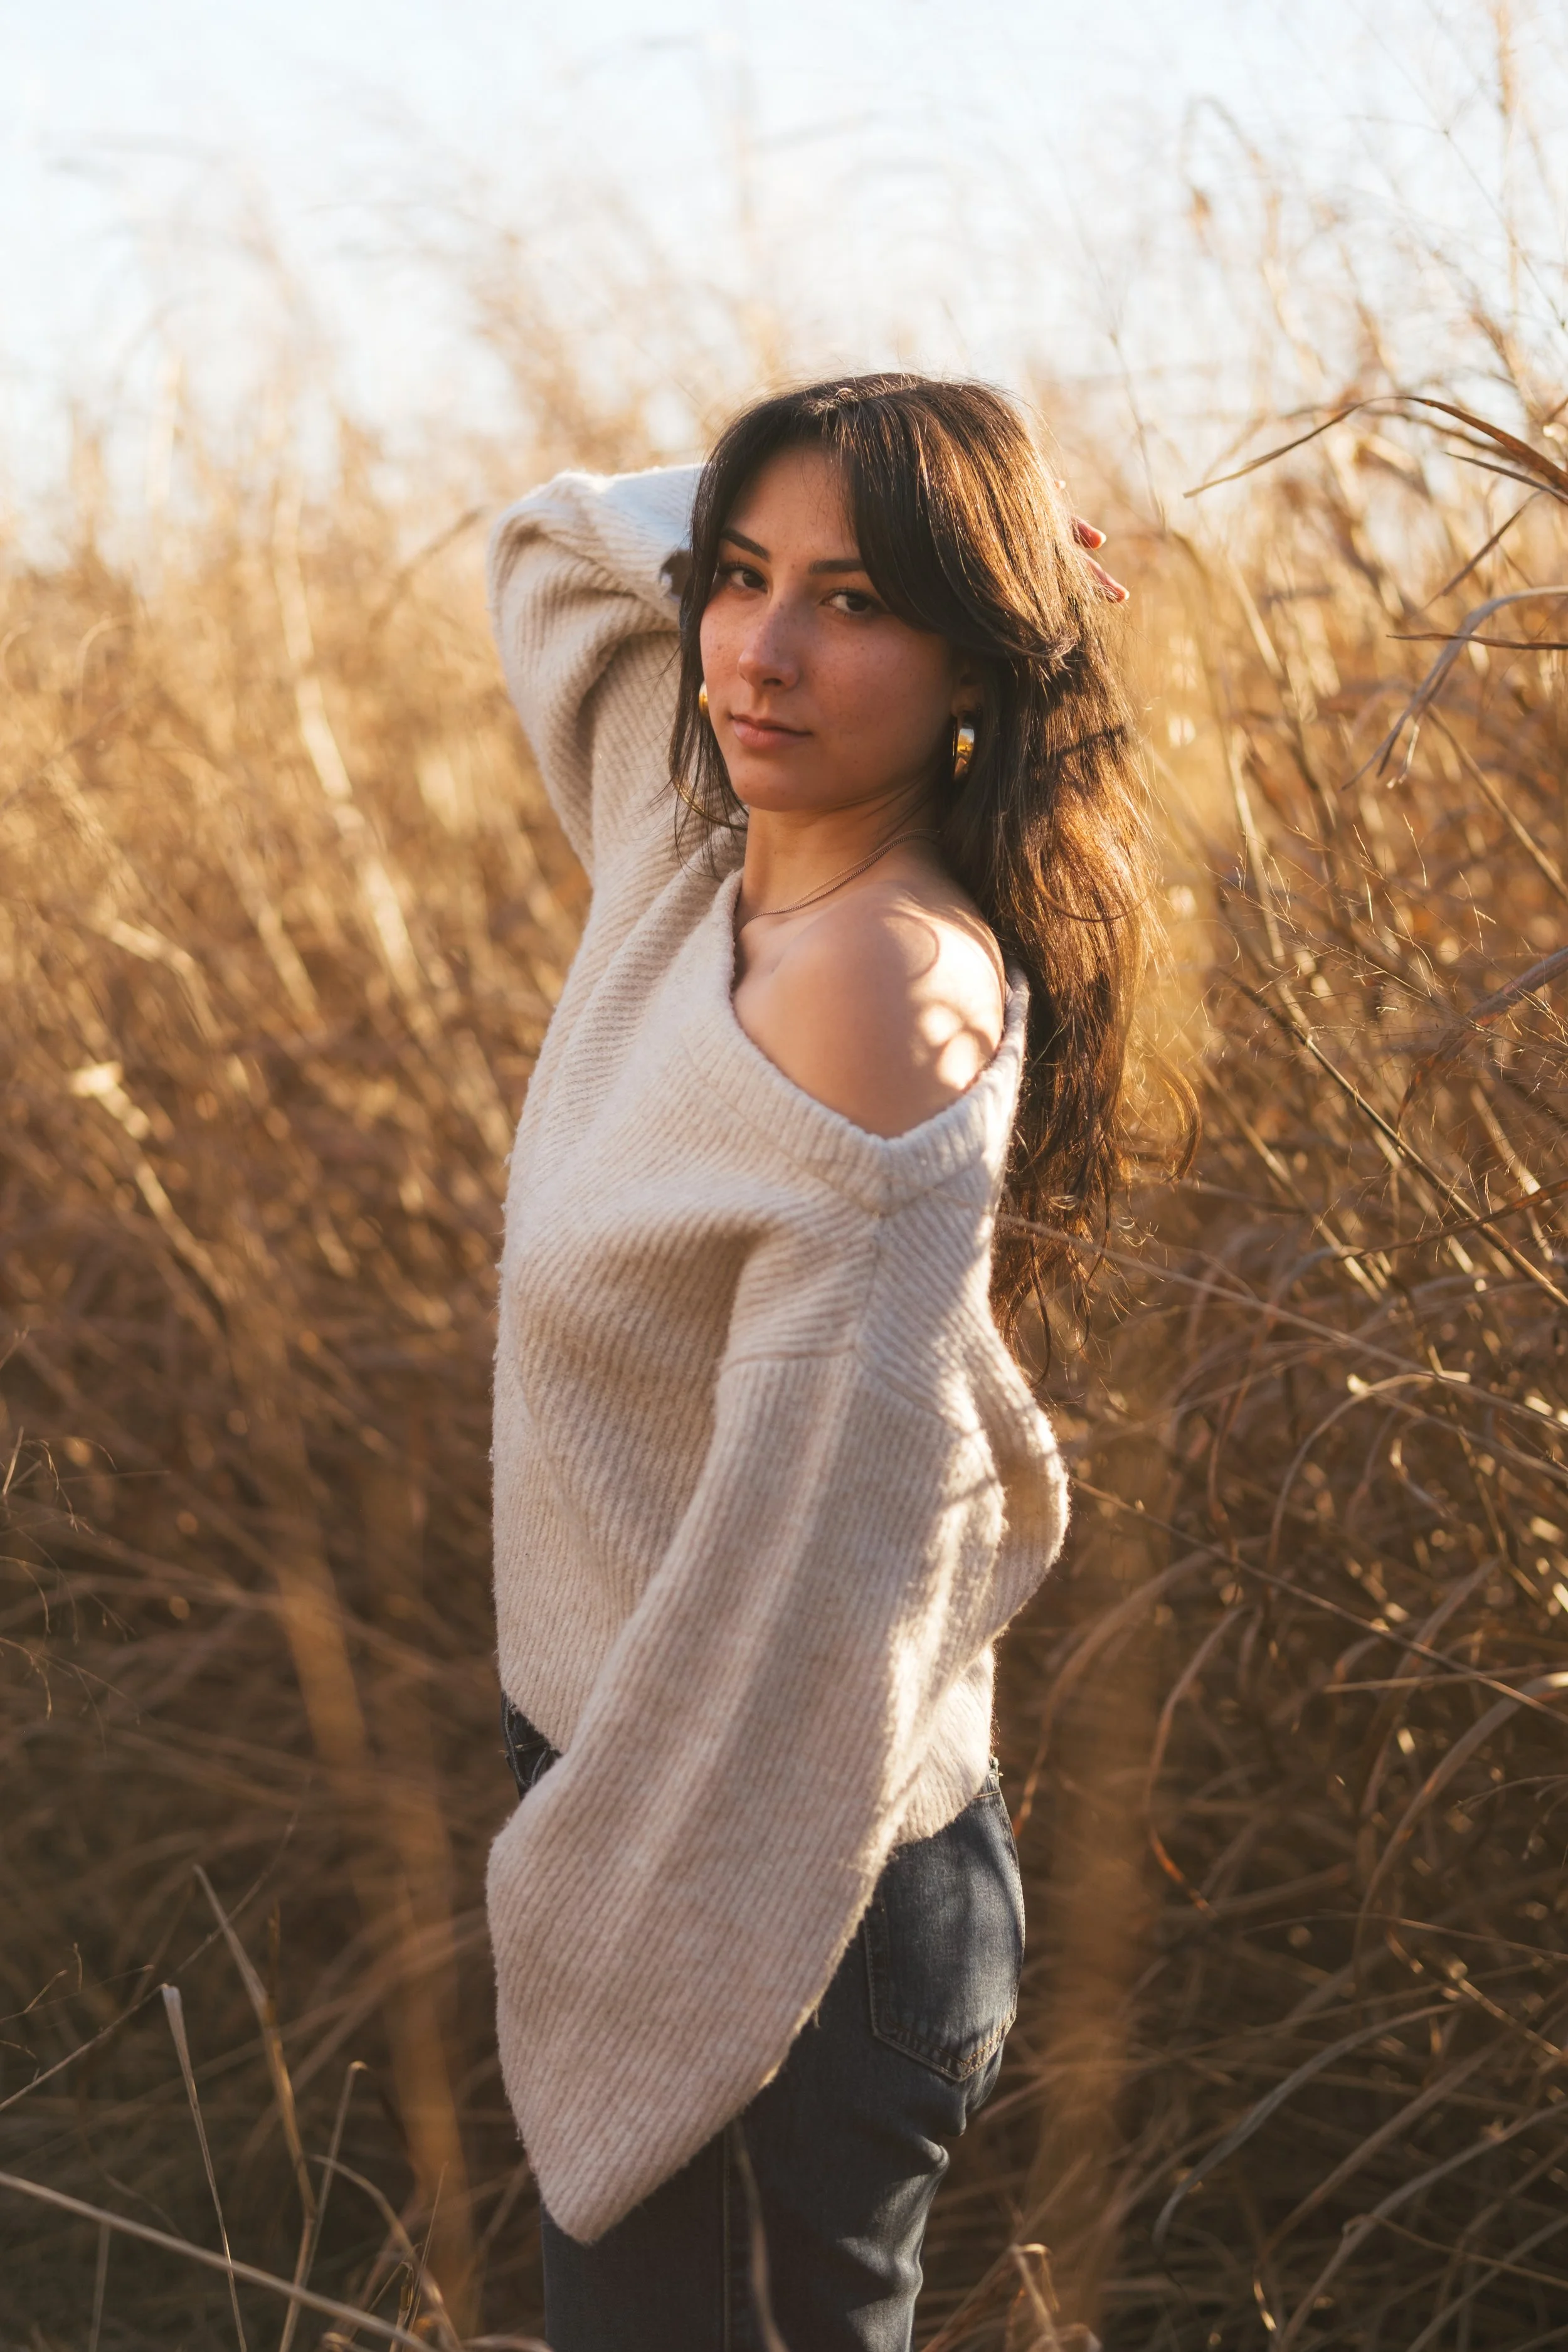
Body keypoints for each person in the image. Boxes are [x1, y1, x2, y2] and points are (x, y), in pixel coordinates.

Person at [484, 373, 1150, 2352]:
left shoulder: (876, 984)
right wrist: (865, 503)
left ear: (975, 658)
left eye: (854, 601)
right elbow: (549, 555)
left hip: (772, 1873)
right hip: (660, 1799)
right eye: (741, 576)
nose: (759, 653)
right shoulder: (701, 864)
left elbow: (813, 1594)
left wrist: (637, 1963)